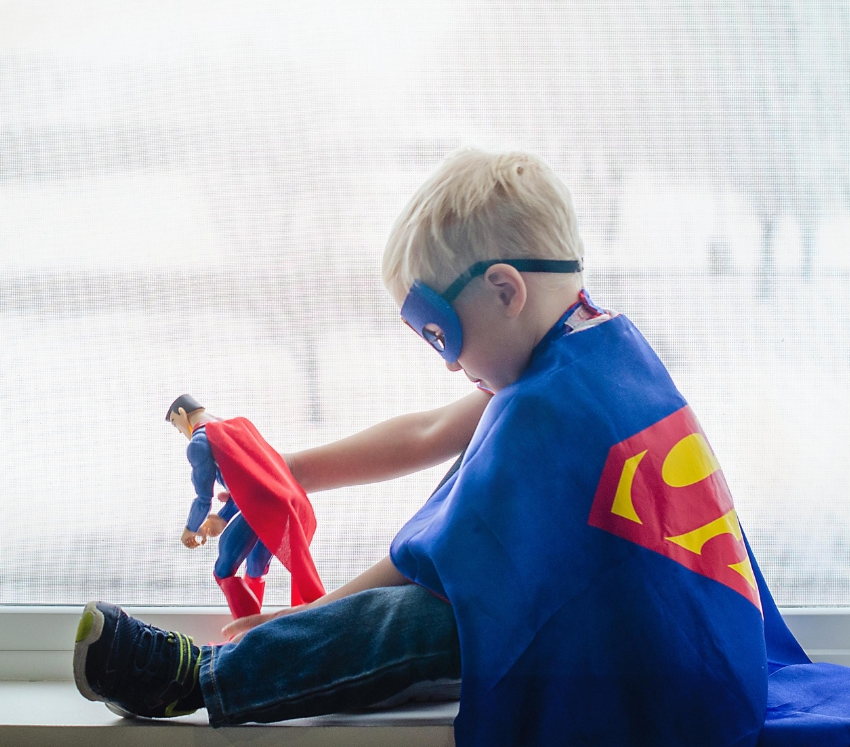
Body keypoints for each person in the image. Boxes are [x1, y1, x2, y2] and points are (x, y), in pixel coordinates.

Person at [73, 148, 850, 745]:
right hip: (690, 643)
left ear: (507, 290)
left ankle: (196, 679)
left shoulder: (552, 409)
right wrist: (288, 474)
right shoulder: (594, 344)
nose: (446, 361)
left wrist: (295, 622)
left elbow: (430, 566)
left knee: (417, 624)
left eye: (442, 333)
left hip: (646, 659)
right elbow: (433, 432)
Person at [166, 394, 326, 618]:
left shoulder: (199, 443)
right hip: (289, 501)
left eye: (176, 425)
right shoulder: (238, 426)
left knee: (224, 569)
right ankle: (256, 633)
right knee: (256, 564)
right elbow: (251, 482)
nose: (181, 432)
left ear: (182, 414)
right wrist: (223, 516)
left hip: (266, 506)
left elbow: (203, 498)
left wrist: (190, 529)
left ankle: (248, 632)